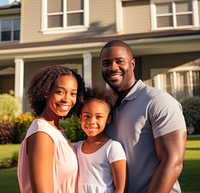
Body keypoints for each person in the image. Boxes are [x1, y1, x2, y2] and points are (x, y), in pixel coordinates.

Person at [100, 40, 187, 193]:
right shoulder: (105, 109)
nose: (113, 67)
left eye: (120, 61)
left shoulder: (158, 100)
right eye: (106, 63)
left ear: (132, 64)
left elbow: (173, 162)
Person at [17, 65, 85, 193]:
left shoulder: (56, 130)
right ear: (46, 92)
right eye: (60, 91)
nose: (66, 99)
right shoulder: (42, 133)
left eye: (73, 93)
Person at [74, 85, 127, 193]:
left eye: (99, 117)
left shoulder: (112, 147)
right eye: (87, 116)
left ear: (108, 119)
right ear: (80, 117)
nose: (91, 121)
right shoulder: (77, 147)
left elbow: (121, 189)